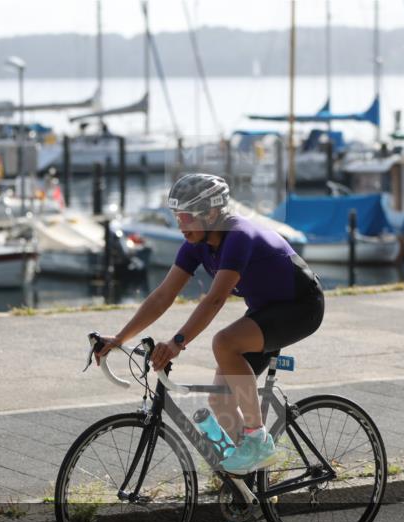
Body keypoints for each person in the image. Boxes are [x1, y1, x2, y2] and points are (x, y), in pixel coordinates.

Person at [95, 173, 324, 476]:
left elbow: (215, 299)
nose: (180, 223)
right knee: (220, 401)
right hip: (266, 311)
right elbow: (163, 295)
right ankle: (249, 487)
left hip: (302, 307)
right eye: (177, 216)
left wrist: (177, 342)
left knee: (224, 342)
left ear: (212, 213)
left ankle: (259, 441)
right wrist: (120, 338)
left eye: (187, 216)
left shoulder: (238, 236)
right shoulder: (195, 244)